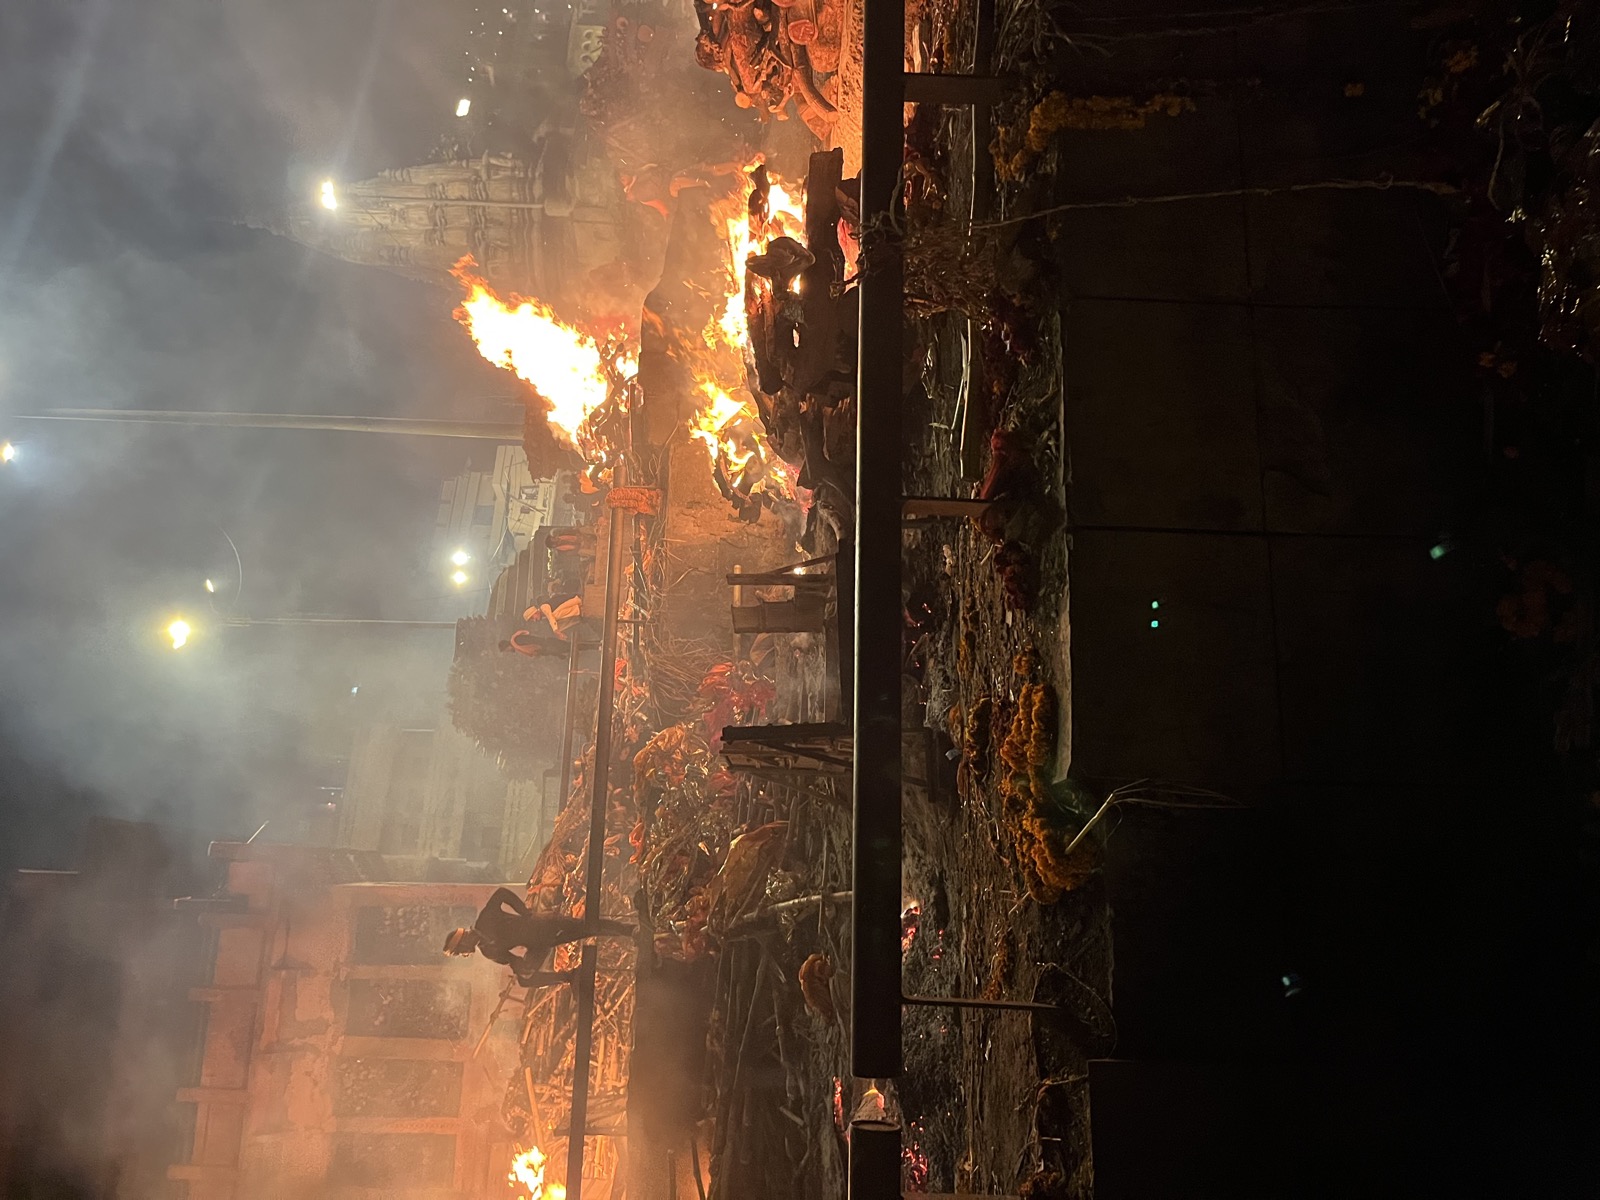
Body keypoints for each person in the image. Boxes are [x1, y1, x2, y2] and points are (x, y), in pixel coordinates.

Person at [443, 888, 635, 986]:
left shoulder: (486, 920)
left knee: (588, 928)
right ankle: (568, 977)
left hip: (544, 924)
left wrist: (524, 912)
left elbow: (502, 893)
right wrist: (520, 966)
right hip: (538, 944)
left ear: (464, 939)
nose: (465, 953)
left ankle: (629, 930)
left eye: (461, 950)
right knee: (525, 980)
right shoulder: (488, 951)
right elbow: (512, 959)